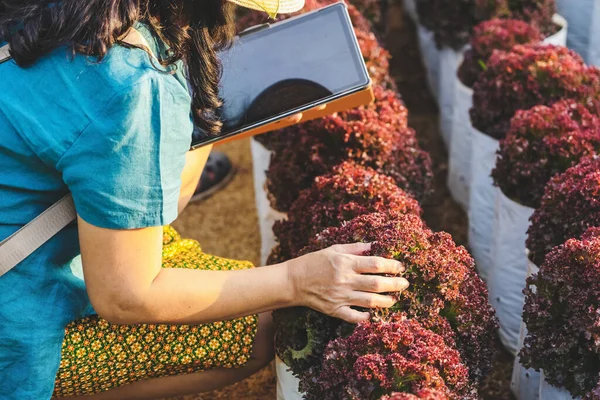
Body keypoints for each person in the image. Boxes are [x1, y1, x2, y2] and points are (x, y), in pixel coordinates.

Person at [0, 1, 410, 399]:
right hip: (15, 317)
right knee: (255, 330)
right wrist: (296, 281)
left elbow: (147, 199)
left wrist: (212, 115)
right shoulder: (133, 85)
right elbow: (127, 294)